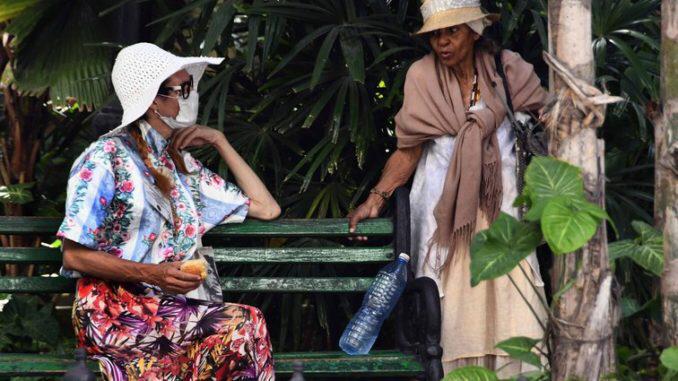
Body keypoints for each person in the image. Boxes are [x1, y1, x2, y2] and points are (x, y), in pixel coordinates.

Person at [348, 0, 548, 377]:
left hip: (505, 214)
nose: (442, 42)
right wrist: (376, 198)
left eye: (451, 31)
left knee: (515, 307)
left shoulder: (508, 69)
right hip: (446, 219)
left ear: (474, 31)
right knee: (451, 316)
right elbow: (408, 152)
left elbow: (549, 119)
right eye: (435, 34)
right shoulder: (421, 76)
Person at [58, 42, 280, 380]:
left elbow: (266, 208)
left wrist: (220, 140)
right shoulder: (104, 157)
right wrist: (153, 274)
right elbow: (74, 256)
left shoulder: (178, 165)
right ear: (152, 99)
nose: (188, 97)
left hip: (170, 309)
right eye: (181, 89)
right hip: (112, 312)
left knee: (239, 332)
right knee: (244, 323)